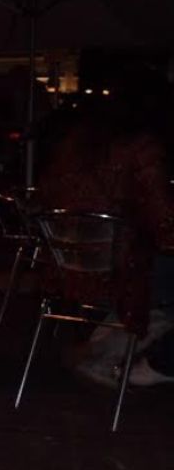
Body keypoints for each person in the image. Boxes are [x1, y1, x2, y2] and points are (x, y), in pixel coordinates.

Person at [36, 94, 174, 386]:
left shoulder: (71, 147)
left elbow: (44, 198)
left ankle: (110, 346)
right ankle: (155, 362)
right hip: (120, 271)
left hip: (66, 270)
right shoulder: (141, 149)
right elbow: (164, 221)